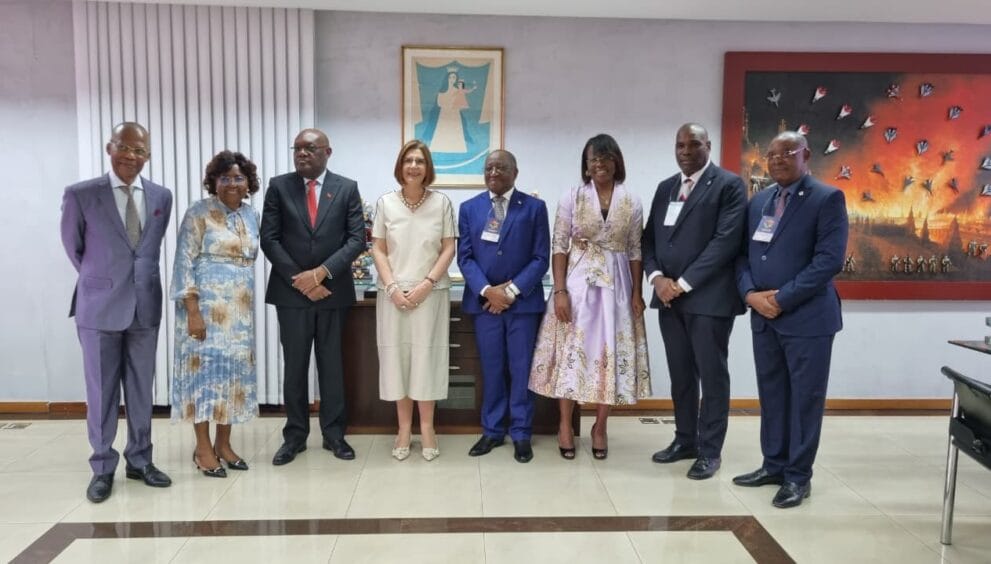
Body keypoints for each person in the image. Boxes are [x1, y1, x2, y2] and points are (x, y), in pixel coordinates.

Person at [733, 131, 849, 508]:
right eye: (771, 154)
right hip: (763, 317)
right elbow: (743, 256)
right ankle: (773, 465)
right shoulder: (760, 201)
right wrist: (750, 295)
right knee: (772, 395)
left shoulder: (827, 198)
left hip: (808, 319)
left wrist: (781, 299)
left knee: (804, 401)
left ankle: (798, 477)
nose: (777, 159)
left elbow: (828, 261)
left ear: (806, 155)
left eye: (787, 152)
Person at [60, 122, 173, 503]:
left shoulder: (161, 196)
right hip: (99, 309)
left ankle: (140, 460)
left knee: (141, 390)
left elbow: (148, 250)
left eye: (139, 150)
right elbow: (74, 248)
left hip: (145, 306)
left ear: (148, 156)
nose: (130, 155)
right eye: (123, 147)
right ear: (109, 148)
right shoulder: (81, 194)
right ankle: (102, 466)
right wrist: (102, 281)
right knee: (102, 391)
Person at [529, 133, 651, 460]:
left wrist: (637, 292)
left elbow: (635, 250)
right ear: (586, 165)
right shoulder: (572, 197)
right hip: (578, 284)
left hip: (617, 287)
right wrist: (559, 291)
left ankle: (600, 427)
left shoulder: (632, 200)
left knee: (608, 354)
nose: (600, 164)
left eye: (606, 158)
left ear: (616, 161)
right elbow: (559, 246)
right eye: (594, 159)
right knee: (571, 353)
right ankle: (565, 424)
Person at [643, 123, 747, 480]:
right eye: (680, 145)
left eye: (694, 144)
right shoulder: (666, 188)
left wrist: (683, 284)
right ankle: (685, 439)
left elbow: (725, 242)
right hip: (668, 300)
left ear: (708, 146)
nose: (686, 151)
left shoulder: (729, 185)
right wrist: (657, 279)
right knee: (681, 375)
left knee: (712, 376)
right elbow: (649, 240)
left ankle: (710, 450)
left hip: (709, 300)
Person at [260, 128, 366, 465]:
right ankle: (294, 437)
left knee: (331, 365)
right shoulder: (279, 186)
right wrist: (301, 280)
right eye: (297, 149)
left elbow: (356, 239)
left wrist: (321, 273)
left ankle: (334, 435)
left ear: (327, 152)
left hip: (332, 292)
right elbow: (269, 238)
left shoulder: (346, 188)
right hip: (291, 294)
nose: (302, 153)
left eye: (310, 148)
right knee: (294, 367)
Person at [171, 150, 261, 478]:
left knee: (231, 377)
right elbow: (183, 263)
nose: (232, 183)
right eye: (225, 178)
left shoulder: (251, 215)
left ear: (248, 182)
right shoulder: (198, 212)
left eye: (238, 177)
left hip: (240, 314)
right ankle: (203, 448)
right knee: (204, 378)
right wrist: (193, 311)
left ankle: (224, 444)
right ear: (214, 182)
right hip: (206, 310)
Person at [458, 150, 550, 463]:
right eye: (489, 168)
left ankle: (521, 433)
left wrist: (509, 291)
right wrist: (488, 291)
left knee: (521, 369)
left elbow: (541, 257)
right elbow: (465, 257)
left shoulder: (534, 207)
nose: (494, 172)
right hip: (485, 305)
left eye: (501, 167)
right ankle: (493, 430)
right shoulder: (470, 208)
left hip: (521, 305)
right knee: (492, 368)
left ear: (515, 172)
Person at [370, 140, 457, 461]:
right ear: (400, 166)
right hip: (393, 294)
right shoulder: (385, 203)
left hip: (430, 294)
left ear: (428, 167)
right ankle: (404, 429)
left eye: (420, 161)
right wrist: (392, 286)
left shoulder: (442, 203)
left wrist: (427, 283)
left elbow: (448, 247)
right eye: (409, 160)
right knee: (398, 360)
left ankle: (428, 428)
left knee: (426, 360)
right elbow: (378, 248)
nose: (414, 166)